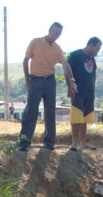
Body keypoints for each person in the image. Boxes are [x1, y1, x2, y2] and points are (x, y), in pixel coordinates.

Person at [18, 22, 76, 151]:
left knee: (50, 112)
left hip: (50, 81)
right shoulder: (36, 42)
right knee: (31, 112)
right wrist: (27, 80)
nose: (56, 36)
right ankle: (24, 142)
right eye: (55, 33)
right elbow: (25, 60)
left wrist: (71, 80)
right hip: (36, 80)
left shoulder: (57, 48)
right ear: (49, 30)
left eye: (59, 34)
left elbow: (65, 64)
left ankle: (49, 142)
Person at [67, 37, 102, 151]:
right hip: (77, 91)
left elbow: (94, 71)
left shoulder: (91, 57)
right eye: (97, 48)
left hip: (89, 92)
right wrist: (70, 85)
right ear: (90, 45)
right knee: (77, 118)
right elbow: (67, 69)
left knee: (85, 118)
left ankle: (83, 143)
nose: (98, 51)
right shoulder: (75, 55)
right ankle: (74, 143)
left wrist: (92, 85)